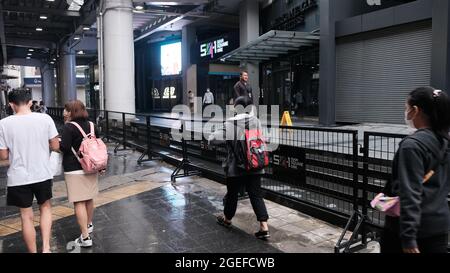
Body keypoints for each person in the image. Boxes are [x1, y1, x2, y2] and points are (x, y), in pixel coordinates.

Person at [380, 87, 450, 254]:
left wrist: (408, 238)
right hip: (439, 230)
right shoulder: (445, 143)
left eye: (406, 108)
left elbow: (409, 193)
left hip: (408, 235)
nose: (405, 112)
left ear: (415, 111)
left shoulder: (412, 146)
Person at [0, 89, 60, 253]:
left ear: (11, 104)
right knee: (45, 208)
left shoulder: (4, 124)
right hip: (42, 173)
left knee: (26, 216)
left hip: (18, 177)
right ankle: (46, 248)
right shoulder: (45, 118)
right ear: (30, 103)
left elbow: (3, 155)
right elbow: (55, 146)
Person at [208, 96, 270, 240]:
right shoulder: (256, 122)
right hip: (254, 165)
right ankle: (264, 226)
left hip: (235, 168)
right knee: (256, 194)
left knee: (232, 194)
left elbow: (213, 139)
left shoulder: (229, 123)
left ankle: (227, 219)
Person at [59, 100, 100, 248]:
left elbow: (64, 147)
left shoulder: (68, 127)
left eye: (67, 110)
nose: (64, 112)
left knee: (79, 202)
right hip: (91, 166)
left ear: (72, 112)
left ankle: (85, 237)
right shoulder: (92, 125)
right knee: (88, 198)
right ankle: (88, 225)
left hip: (74, 167)